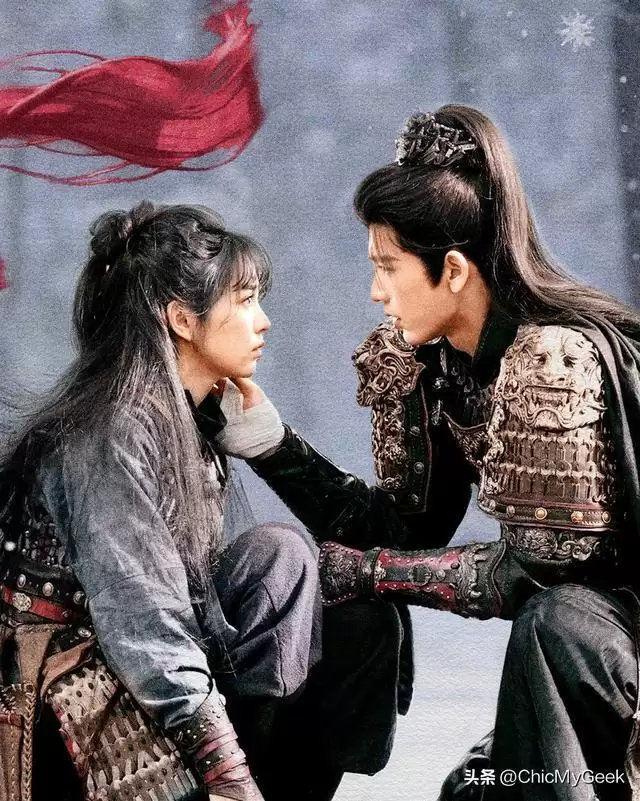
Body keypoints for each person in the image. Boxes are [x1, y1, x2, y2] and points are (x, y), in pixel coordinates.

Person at [214, 106, 640, 800]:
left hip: (609, 643)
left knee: (556, 622)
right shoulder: (437, 366)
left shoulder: (554, 360)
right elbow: (401, 531)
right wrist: (272, 445)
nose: (376, 291)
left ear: (453, 270)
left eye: (388, 267)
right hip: (583, 644)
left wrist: (369, 572)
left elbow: (532, 575)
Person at [0, 201, 401, 801]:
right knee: (284, 562)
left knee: (320, 590)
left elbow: (372, 533)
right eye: (245, 301)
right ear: (183, 319)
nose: (263, 322)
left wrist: (271, 446)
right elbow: (148, 626)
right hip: (77, 708)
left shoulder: (189, 421)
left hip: (139, 671)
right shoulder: (109, 435)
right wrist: (228, 775)